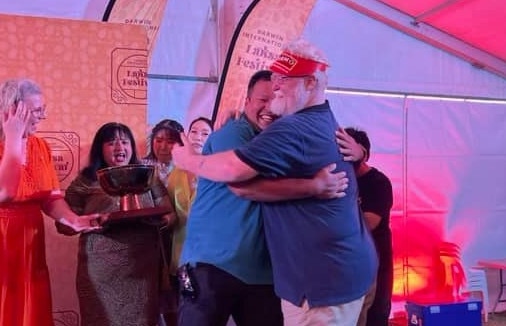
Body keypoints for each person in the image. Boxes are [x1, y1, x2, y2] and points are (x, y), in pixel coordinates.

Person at [172, 39, 377, 325]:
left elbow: (236, 174)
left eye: (284, 81)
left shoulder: (292, 129)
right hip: (219, 265)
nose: (276, 90)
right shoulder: (246, 132)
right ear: (245, 102)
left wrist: (186, 159)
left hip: (305, 280)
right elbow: (239, 183)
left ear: (310, 84)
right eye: (263, 97)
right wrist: (313, 186)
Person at [0, 78, 100, 326]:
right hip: (3, 241)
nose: (42, 116)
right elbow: (5, 192)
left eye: (43, 109)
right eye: (36, 110)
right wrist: (13, 139)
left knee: (31, 304)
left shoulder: (41, 146)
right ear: (12, 110)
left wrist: (73, 219)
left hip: (30, 241)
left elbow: (49, 197)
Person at [60, 122, 175, 326]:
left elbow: (169, 214)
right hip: (101, 272)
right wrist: (92, 221)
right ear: (100, 149)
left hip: (143, 271)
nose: (119, 147)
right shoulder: (85, 181)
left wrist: (159, 221)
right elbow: (64, 225)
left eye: (124, 141)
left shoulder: (148, 175)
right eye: (111, 142)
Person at [162, 117, 213, 326]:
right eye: (194, 131)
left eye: (205, 133)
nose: (198, 137)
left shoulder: (217, 170)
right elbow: (171, 211)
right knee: (185, 313)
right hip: (181, 256)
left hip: (211, 257)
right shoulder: (176, 173)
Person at [342, 127, 394, 326]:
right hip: (348, 265)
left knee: (375, 315)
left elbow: (369, 223)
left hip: (376, 264)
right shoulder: (341, 179)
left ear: (361, 153)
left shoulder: (378, 183)